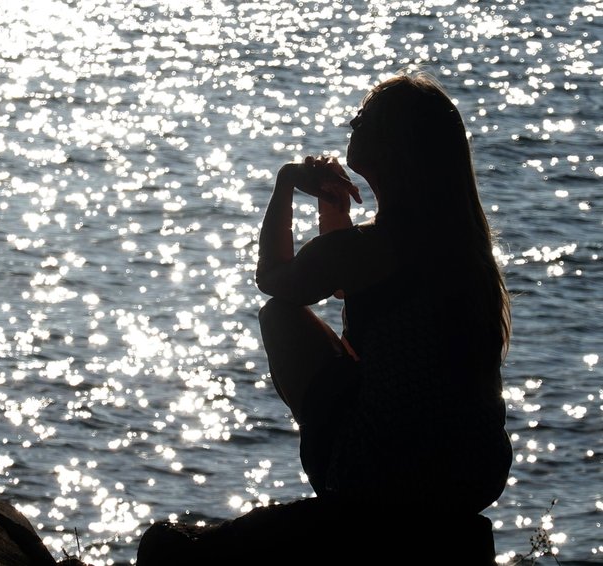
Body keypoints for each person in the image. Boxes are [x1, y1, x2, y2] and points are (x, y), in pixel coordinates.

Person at [137, 72, 513, 564]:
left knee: (279, 316)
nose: (352, 124)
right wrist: (335, 212)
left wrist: (287, 183)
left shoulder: (376, 247)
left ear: (392, 144)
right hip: (473, 473)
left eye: (363, 118)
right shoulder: (459, 243)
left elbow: (274, 278)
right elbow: (349, 285)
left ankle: (339, 473)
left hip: (387, 475)